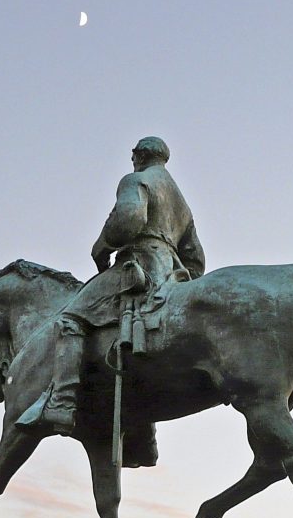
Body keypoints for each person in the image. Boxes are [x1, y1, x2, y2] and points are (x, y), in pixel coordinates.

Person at [31, 137, 206, 463]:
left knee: (70, 319)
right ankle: (145, 437)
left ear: (139, 156)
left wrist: (103, 245)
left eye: (134, 156)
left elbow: (129, 218)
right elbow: (196, 259)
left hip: (138, 264)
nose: (133, 161)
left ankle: (62, 401)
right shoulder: (182, 204)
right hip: (170, 274)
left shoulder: (136, 180)